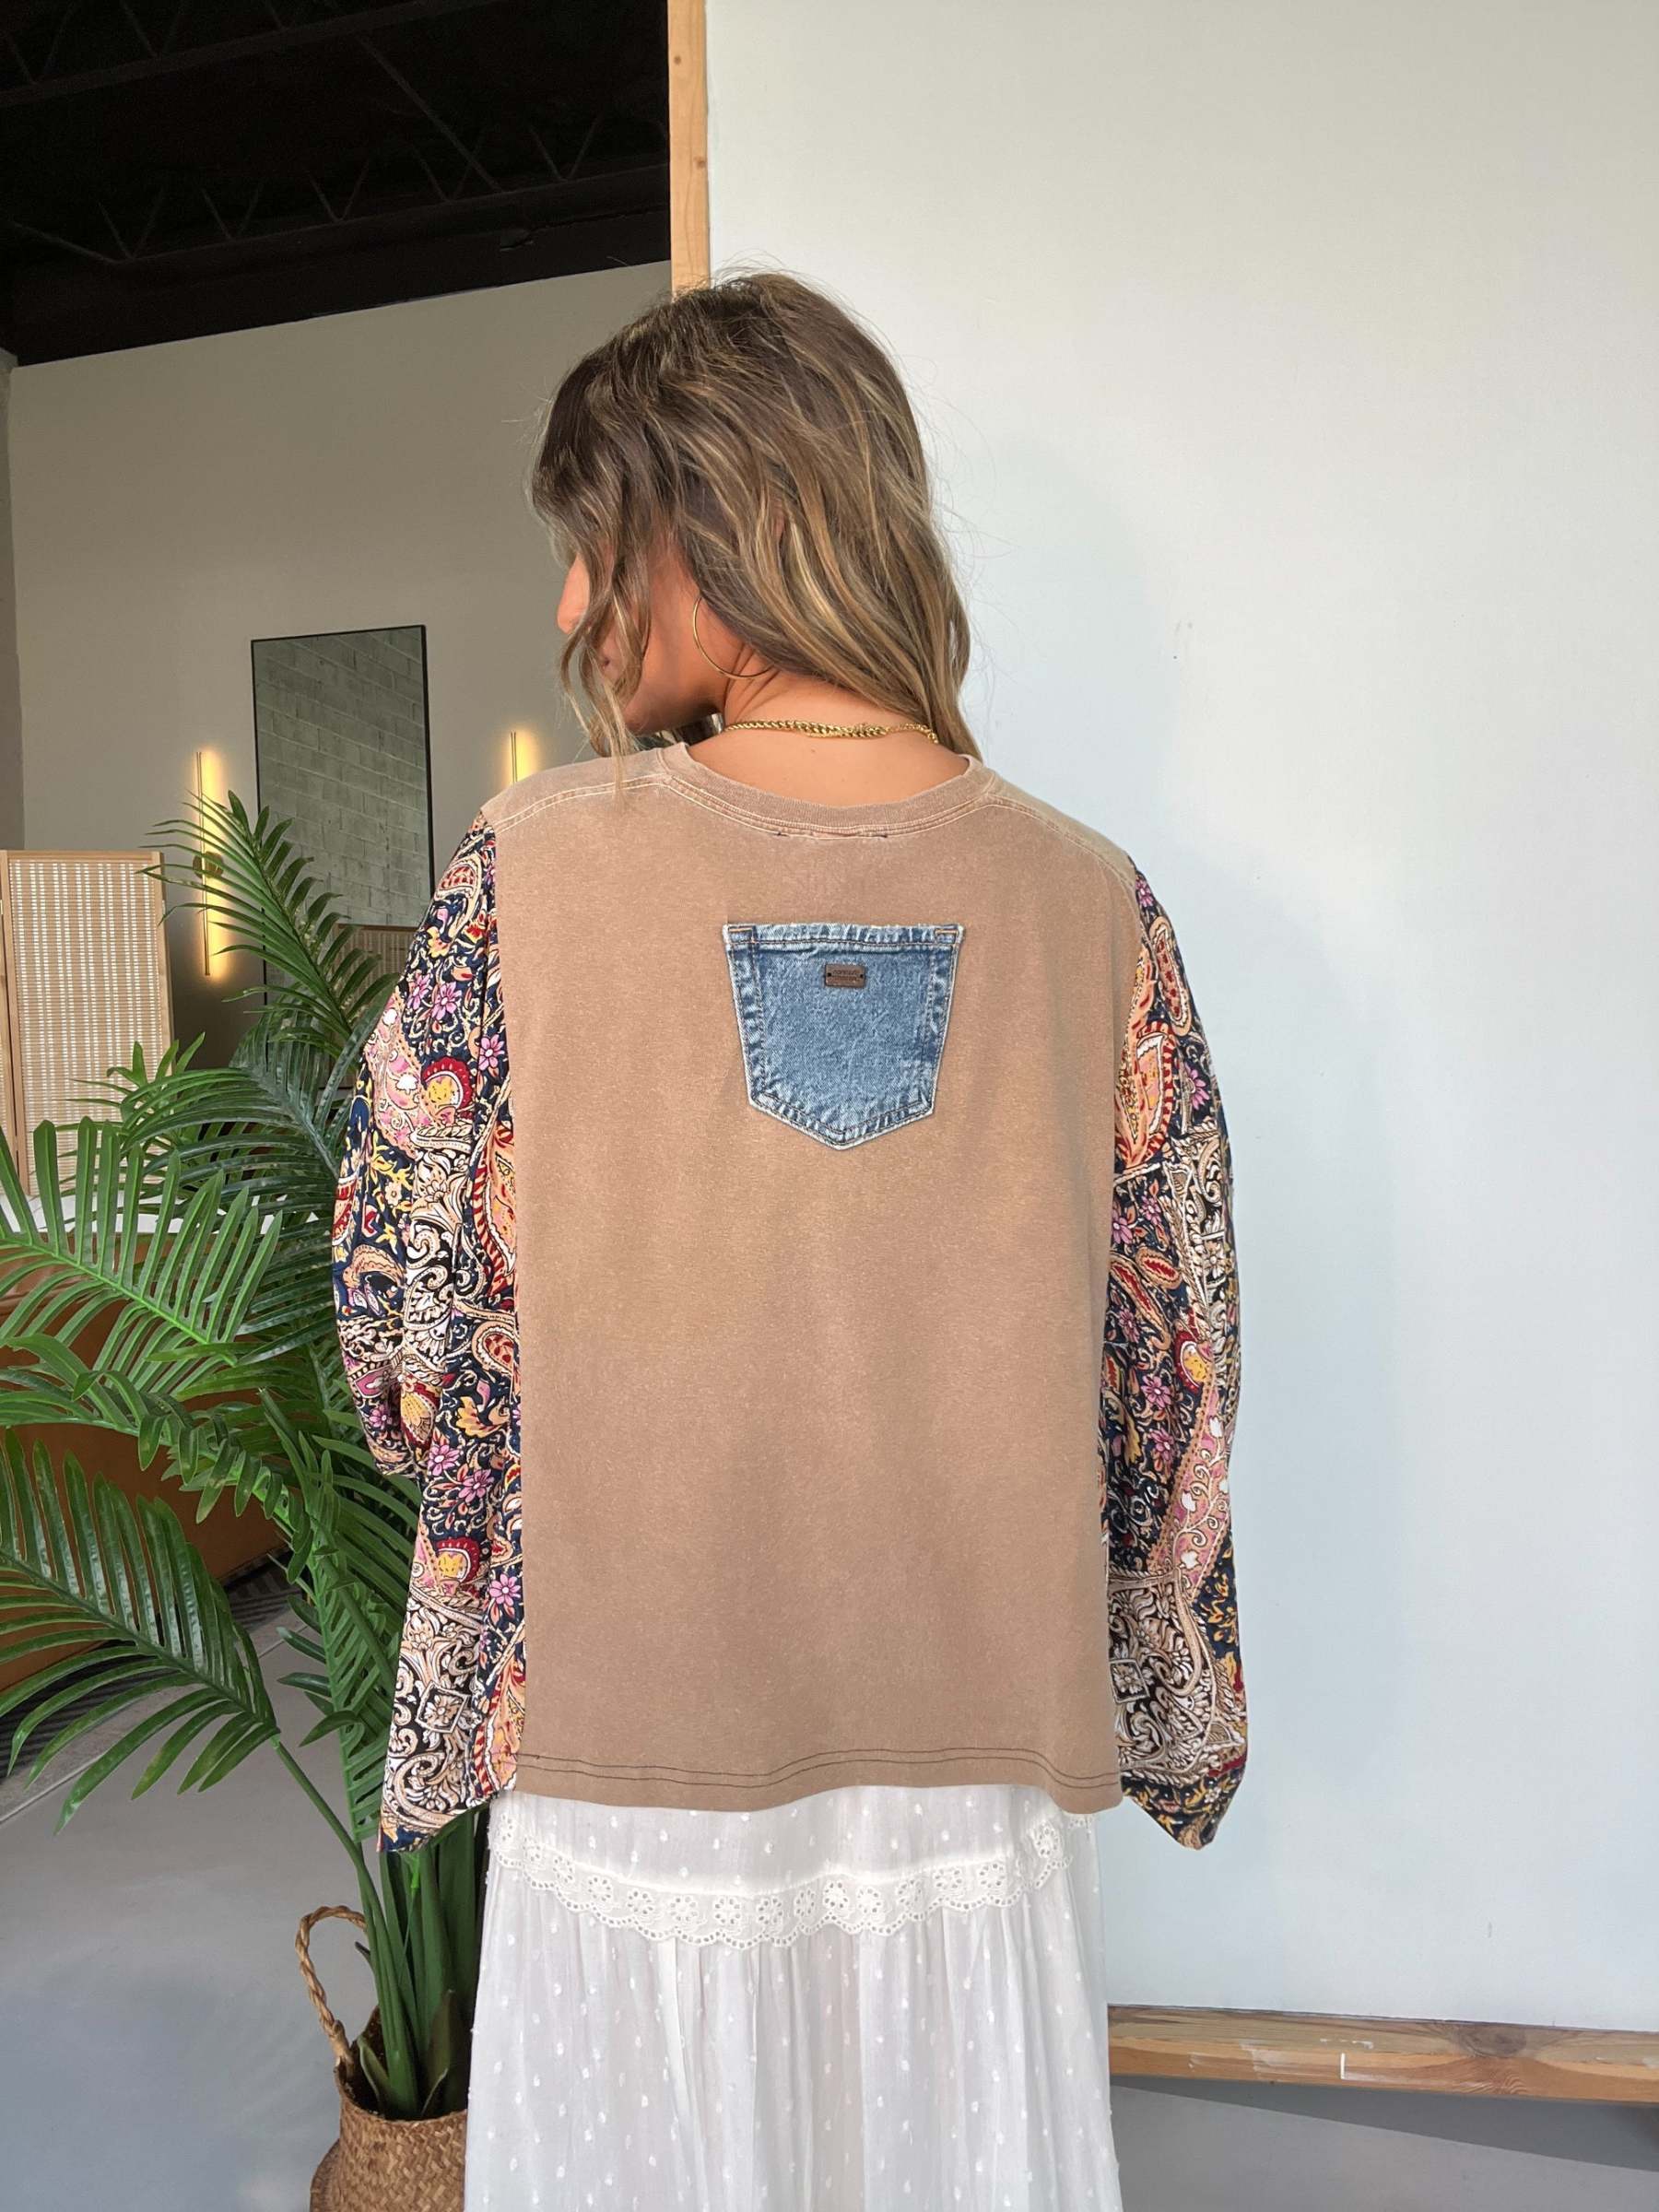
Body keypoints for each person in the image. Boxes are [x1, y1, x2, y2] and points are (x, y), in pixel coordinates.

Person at [331, 269, 1246, 2211]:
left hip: (636, 1760)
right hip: (978, 1775)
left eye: (595, 547)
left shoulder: (525, 880)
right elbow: (1174, 1383)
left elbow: (406, 1345)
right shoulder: (1097, 907)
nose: (569, 608)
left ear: (708, 524)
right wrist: (1160, 1700)